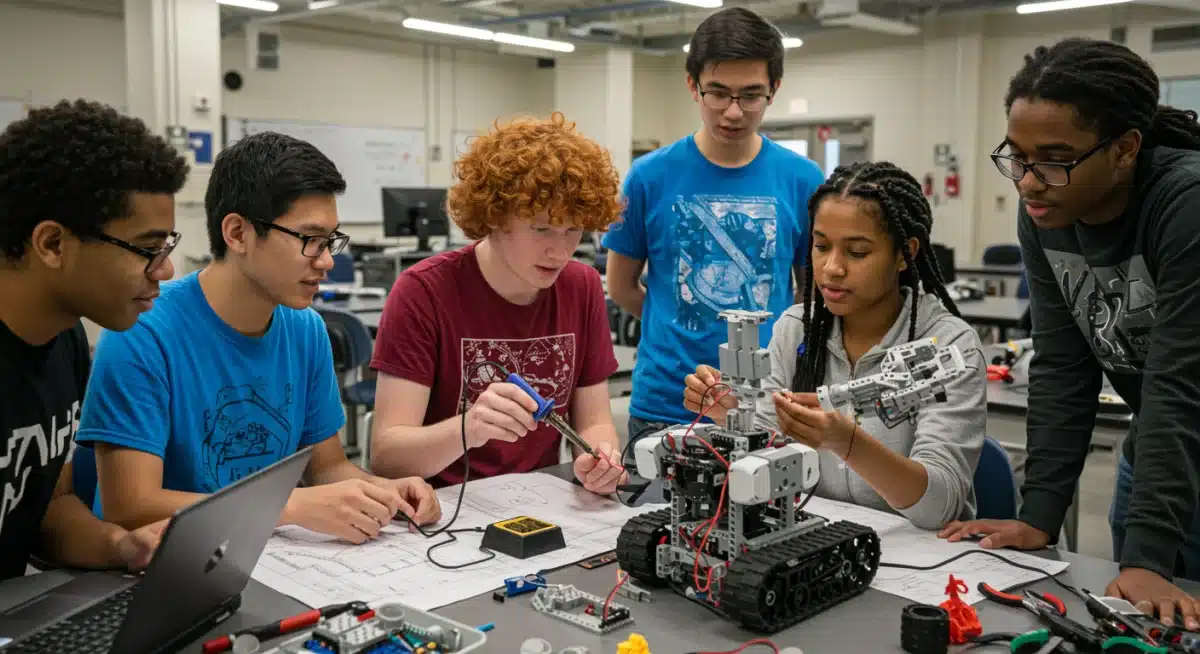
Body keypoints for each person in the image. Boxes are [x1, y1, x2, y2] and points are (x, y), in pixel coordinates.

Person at [938, 37, 1200, 626]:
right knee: (1144, 619)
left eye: (1054, 158)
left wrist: (1148, 552)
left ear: (1126, 149)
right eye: (1018, 157)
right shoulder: (1046, 215)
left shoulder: (1185, 205)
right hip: (1157, 456)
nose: (1029, 181)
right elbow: (1062, 366)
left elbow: (1179, 386)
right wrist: (1040, 516)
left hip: (1179, 429)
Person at [74, 131, 441, 545]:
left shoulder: (306, 330)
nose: (326, 261)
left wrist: (381, 491)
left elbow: (327, 468)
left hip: (261, 557)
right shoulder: (143, 331)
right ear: (237, 234)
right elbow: (131, 506)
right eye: (310, 240)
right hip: (158, 568)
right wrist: (291, 508)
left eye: (330, 241)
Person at [683, 161, 987, 530]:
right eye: (821, 246)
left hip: (922, 559)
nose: (831, 268)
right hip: (818, 542)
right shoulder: (796, 330)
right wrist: (731, 416)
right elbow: (767, 453)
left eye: (857, 252)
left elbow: (939, 506)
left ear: (903, 253)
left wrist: (848, 443)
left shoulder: (947, 347)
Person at [369, 113, 626, 495]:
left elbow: (594, 422)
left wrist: (601, 456)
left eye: (574, 229)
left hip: (540, 500)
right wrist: (467, 428)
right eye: (540, 228)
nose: (559, 250)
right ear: (494, 216)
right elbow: (387, 457)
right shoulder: (423, 291)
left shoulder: (581, 285)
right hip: (441, 508)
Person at [603, 6, 825, 447]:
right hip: (665, 406)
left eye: (751, 95)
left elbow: (809, 294)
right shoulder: (649, 177)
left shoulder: (804, 180)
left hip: (766, 406)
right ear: (693, 85)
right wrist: (678, 325)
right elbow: (623, 287)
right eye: (718, 93)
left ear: (774, 89)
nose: (734, 112)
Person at [0, 99, 184, 581]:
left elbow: (49, 507)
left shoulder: (66, 341)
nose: (165, 270)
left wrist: (123, 547)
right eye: (147, 249)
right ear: (53, 245)